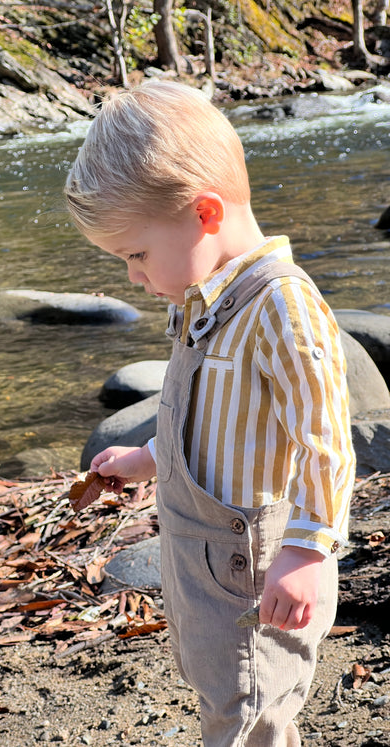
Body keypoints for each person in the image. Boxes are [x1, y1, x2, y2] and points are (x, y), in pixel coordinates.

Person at [64, 80, 355, 746]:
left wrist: (309, 548)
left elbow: (325, 438)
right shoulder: (199, 297)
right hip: (202, 563)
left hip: (258, 571)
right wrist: (150, 458)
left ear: (206, 214)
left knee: (250, 710)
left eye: (136, 254)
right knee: (227, 690)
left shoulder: (281, 306)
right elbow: (202, 406)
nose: (134, 276)